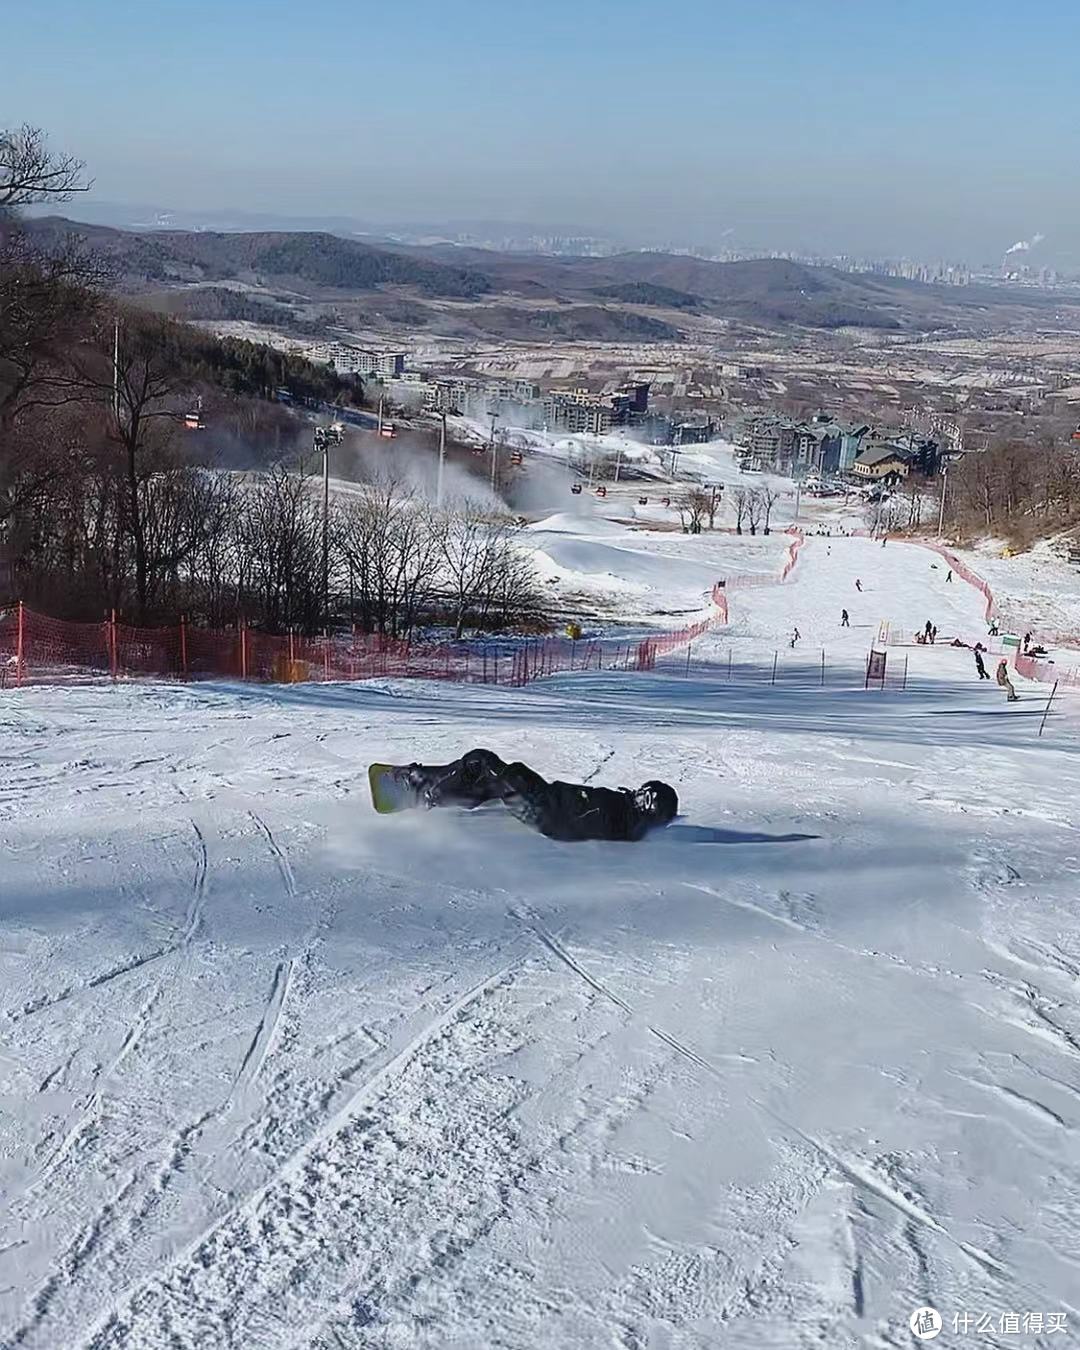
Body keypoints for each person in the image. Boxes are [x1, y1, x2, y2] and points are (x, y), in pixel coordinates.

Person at [397, 748, 678, 842]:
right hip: (543, 800)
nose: (638, 795)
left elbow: (575, 821)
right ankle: (455, 795)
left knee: (482, 760)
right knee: (492, 780)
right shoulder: (627, 816)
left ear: (650, 811)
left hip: (540, 807)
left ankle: (426, 791)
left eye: (645, 798)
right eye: (642, 791)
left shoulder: (623, 818)